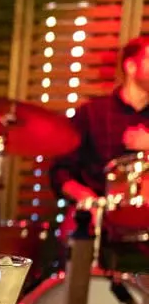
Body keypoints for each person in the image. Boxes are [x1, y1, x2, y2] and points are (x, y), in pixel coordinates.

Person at [51, 33, 149, 206]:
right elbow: (60, 171)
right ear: (131, 66)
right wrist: (85, 197)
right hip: (98, 221)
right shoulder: (92, 114)